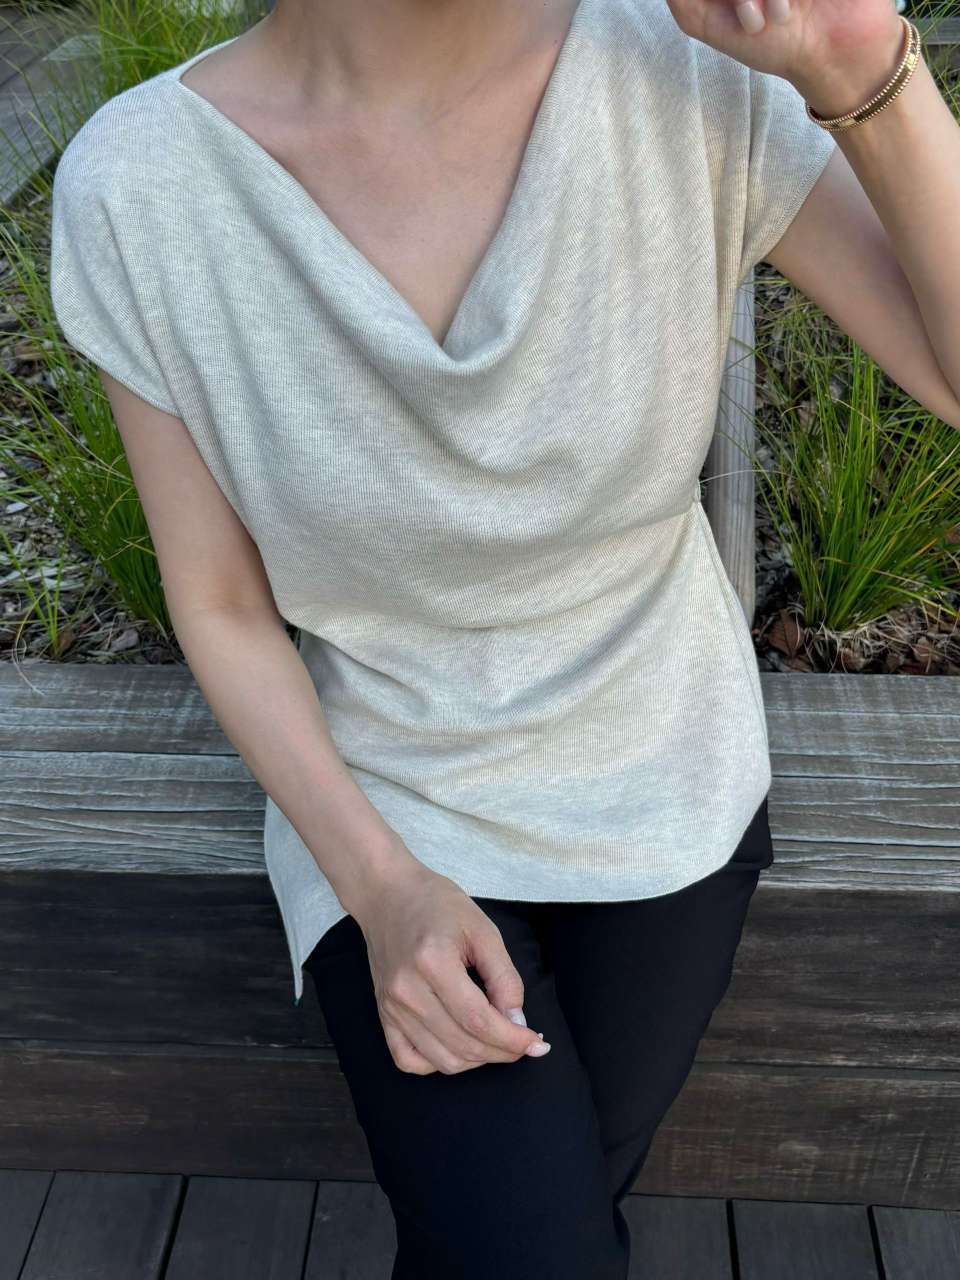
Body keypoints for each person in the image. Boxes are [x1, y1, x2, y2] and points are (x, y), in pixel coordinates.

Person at [49, 0, 950, 1273]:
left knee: (529, 1232)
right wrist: (380, 887)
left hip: (665, 780)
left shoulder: (687, 76)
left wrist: (864, 70)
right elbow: (222, 603)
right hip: (386, 800)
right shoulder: (143, 186)